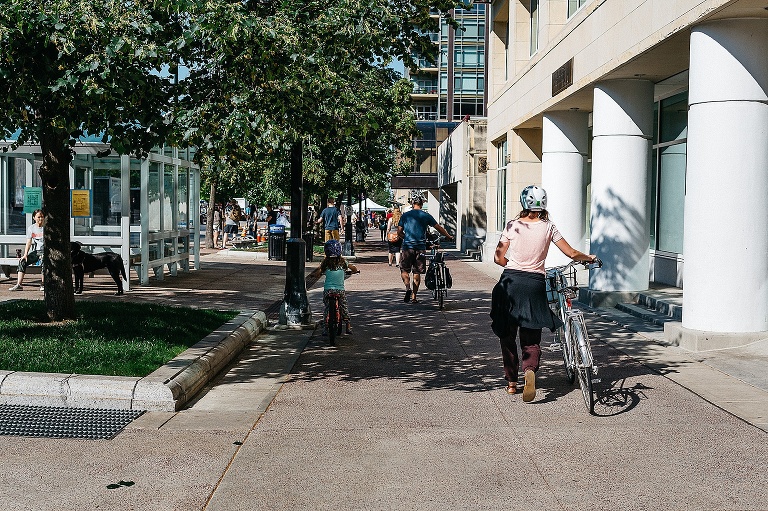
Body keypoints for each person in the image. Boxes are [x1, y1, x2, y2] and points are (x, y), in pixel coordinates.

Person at [490, 185, 598, 402]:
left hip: (510, 282)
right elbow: (571, 252)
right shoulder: (549, 227)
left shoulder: (512, 226)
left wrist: (512, 263)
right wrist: (590, 258)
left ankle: (512, 383)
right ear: (544, 204)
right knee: (531, 335)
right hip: (534, 284)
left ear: (523, 203)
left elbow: (498, 258)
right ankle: (530, 370)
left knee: (507, 334)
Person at [397, 192, 453, 303]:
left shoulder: (405, 216)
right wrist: (448, 236)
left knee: (404, 270)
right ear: (422, 203)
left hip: (408, 247)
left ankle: (408, 288)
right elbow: (438, 228)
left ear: (412, 203)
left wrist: (406, 238)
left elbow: (399, 232)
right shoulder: (425, 215)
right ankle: (414, 297)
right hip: (420, 247)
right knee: (417, 272)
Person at [308, 239, 360, 335]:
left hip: (328, 290)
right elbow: (353, 268)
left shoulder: (325, 263)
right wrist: (354, 271)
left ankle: (325, 328)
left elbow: (318, 273)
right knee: (344, 307)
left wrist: (314, 275)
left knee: (327, 308)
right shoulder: (343, 262)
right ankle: (348, 325)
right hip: (340, 290)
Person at [9, 209, 45, 291]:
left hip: (46, 251)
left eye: (42, 217)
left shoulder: (47, 228)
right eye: (38, 217)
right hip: (37, 251)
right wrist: (25, 254)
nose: (40, 219)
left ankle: (43, 284)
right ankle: (19, 284)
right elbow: (29, 242)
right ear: (34, 218)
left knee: (45, 262)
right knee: (22, 262)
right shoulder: (31, 228)